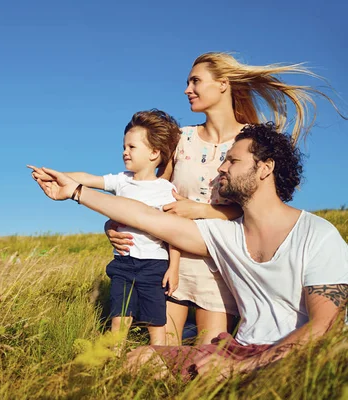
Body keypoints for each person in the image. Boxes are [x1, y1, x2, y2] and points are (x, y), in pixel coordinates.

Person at [30, 123, 348, 379]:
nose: (221, 168)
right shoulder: (225, 235)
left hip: (296, 357)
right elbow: (147, 217)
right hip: (239, 349)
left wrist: (242, 367)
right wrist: (76, 191)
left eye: (233, 160)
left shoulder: (317, 235)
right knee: (139, 360)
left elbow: (324, 329)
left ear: (265, 169)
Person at [106, 52, 347, 345]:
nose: (187, 89)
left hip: (222, 263)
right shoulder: (182, 138)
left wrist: (201, 210)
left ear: (223, 84)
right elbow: (148, 191)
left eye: (195, 81)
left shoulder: (249, 143)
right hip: (173, 261)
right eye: (187, 82)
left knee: (206, 360)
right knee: (163, 354)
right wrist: (112, 225)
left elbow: (260, 209)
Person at [29, 110, 181, 345]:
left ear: (154, 152)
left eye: (131, 147)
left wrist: (174, 267)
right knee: (119, 318)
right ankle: (114, 358)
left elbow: (174, 233)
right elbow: (87, 179)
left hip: (154, 265)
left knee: (156, 321)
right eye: (124, 146)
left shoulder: (165, 190)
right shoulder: (122, 180)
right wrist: (56, 175)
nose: (124, 151)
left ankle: (158, 358)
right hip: (122, 261)